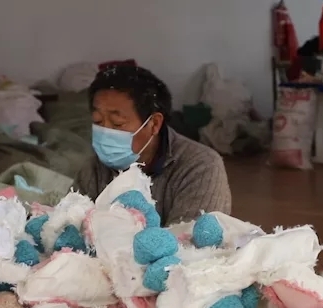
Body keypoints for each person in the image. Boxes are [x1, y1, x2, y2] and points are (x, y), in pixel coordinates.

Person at [73, 64, 232, 225]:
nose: (105, 132)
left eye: (117, 123)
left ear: (154, 124)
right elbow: (69, 226)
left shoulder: (200, 167)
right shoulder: (94, 169)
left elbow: (191, 243)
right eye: (98, 121)